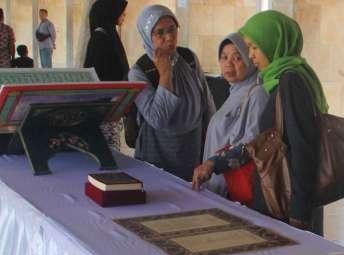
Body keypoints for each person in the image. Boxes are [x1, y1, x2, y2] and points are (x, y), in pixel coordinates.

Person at [192, 10, 328, 235]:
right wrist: (216, 163)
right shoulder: (277, 80)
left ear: (272, 43)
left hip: (288, 202)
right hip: (281, 193)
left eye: (254, 47)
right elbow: (265, 141)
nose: (251, 56)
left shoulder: (290, 81)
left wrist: (300, 215)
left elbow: (303, 150)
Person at [129, 5, 215, 181]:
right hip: (156, 155)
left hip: (191, 151)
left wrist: (211, 150)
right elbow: (158, 119)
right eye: (160, 33)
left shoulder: (189, 59)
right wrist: (165, 74)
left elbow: (206, 105)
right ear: (148, 36)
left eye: (172, 30)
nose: (169, 38)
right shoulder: (139, 72)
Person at [201, 32, 268, 197]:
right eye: (224, 57)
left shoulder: (256, 93)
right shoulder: (235, 91)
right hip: (217, 182)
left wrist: (216, 164)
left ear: (250, 60)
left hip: (232, 187)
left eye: (237, 58)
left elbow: (252, 142)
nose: (228, 64)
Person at [84, 0, 129, 150]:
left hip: (110, 105)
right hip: (103, 106)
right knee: (106, 149)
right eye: (120, 12)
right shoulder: (101, 38)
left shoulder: (107, 34)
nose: (123, 15)